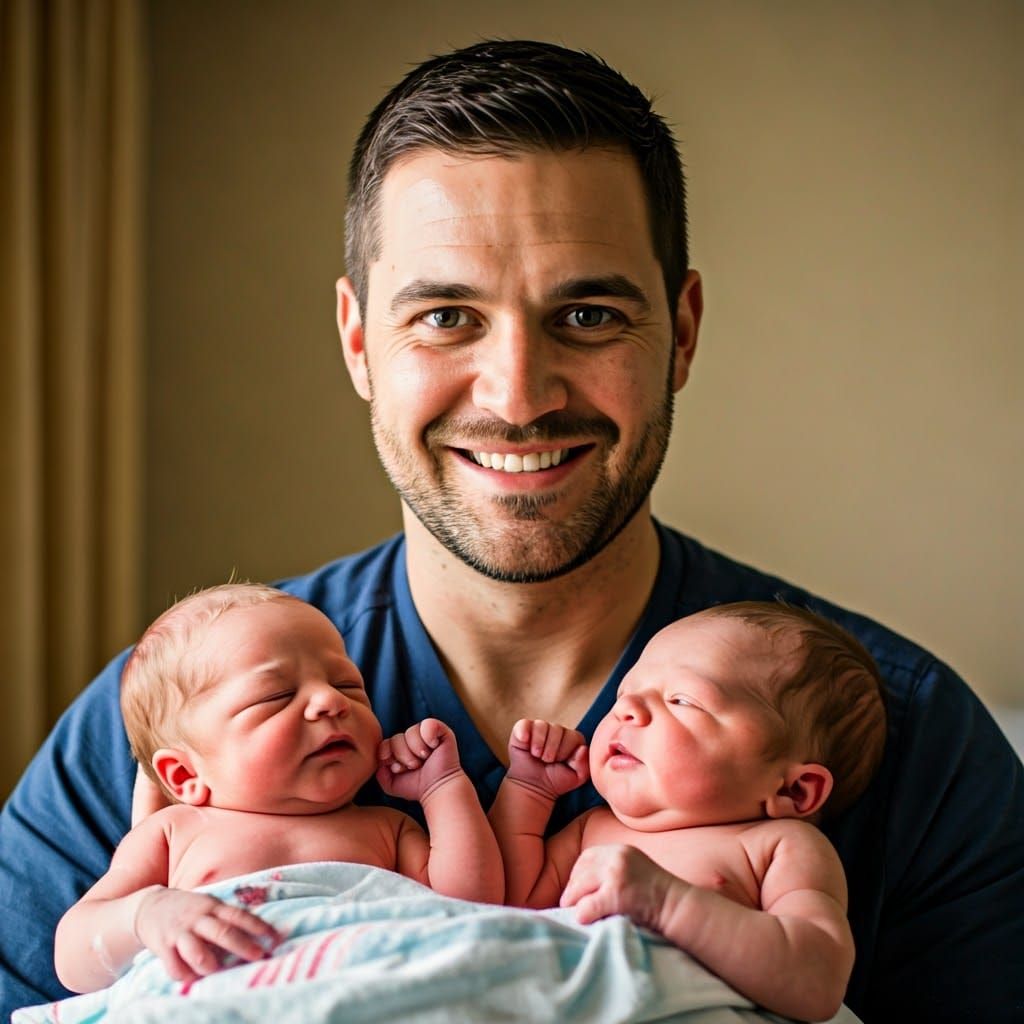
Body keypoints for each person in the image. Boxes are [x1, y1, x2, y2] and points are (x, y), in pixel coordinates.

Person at [1, 38, 1021, 1023]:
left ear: (684, 331)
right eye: (447, 316)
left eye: (586, 316)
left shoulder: (909, 741)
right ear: (360, 342)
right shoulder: (167, 720)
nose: (519, 396)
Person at [53, 583, 502, 993]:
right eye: (275, 697)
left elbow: (472, 906)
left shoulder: (387, 827)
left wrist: (442, 787)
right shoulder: (174, 831)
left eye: (348, 685)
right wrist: (145, 915)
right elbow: (74, 959)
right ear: (185, 777)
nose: (330, 701)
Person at [490, 601, 887, 1022]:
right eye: (626, 692)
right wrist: (528, 791)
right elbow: (505, 899)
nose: (628, 709)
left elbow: (817, 980)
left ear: (794, 790)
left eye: (683, 700)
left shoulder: (779, 847)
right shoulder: (592, 830)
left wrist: (666, 903)